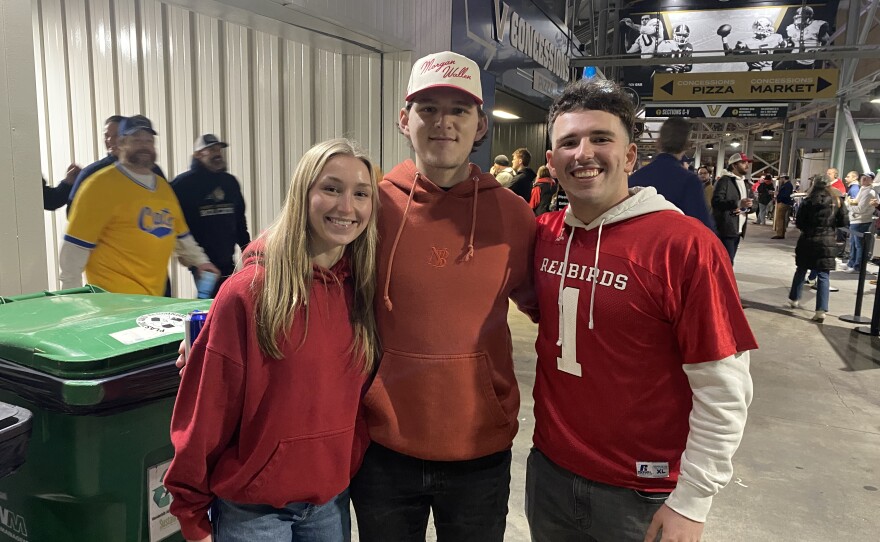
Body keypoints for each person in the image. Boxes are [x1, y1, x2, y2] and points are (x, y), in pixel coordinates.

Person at [528, 78, 755, 542]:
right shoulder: (546, 235)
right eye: (568, 142)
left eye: (601, 138)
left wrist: (693, 500)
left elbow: (724, 386)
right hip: (550, 472)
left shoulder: (685, 246)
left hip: (642, 492)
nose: (583, 152)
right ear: (551, 162)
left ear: (630, 157)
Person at [348, 51, 538, 542]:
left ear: (479, 127)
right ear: (403, 119)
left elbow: (554, 306)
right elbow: (291, 253)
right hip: (384, 446)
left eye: (458, 110)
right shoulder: (369, 203)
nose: (443, 123)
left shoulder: (514, 217)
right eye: (428, 108)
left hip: (479, 449)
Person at [165, 138, 379, 542]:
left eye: (361, 193)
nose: (347, 207)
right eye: (331, 188)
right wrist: (191, 514)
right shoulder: (248, 292)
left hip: (330, 504)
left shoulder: (364, 291)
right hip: (253, 514)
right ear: (303, 193)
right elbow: (208, 410)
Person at [59, 115, 219, 295]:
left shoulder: (163, 188)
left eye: (148, 140)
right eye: (136, 140)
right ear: (120, 144)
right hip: (113, 303)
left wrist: (201, 262)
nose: (144, 145)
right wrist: (70, 298)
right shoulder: (99, 186)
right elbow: (74, 249)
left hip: (152, 300)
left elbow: (181, 237)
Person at [172, 134, 251, 296]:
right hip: (202, 262)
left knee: (229, 299)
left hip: (228, 260)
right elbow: (176, 224)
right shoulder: (183, 185)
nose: (217, 154)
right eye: (210, 150)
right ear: (198, 155)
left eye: (218, 149)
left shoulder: (230, 182)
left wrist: (247, 250)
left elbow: (239, 221)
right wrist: (194, 260)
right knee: (209, 302)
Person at [67, 115, 166, 214]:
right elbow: (72, 212)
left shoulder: (155, 173)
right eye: (107, 136)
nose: (110, 140)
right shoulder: (91, 174)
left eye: (115, 135)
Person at [628, 117, 713, 230]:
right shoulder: (690, 182)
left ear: (658, 143)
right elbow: (703, 229)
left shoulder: (633, 179)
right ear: (687, 145)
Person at [787, 174, 848, 322]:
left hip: (808, 239)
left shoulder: (808, 201)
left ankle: (794, 298)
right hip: (827, 240)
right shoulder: (837, 201)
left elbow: (800, 222)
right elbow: (844, 221)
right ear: (829, 185)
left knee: (801, 269)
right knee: (823, 275)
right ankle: (821, 310)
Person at [712, 153, 754, 264]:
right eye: (743, 162)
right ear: (734, 165)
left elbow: (754, 204)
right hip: (726, 228)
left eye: (747, 163)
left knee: (729, 261)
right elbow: (716, 202)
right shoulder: (724, 181)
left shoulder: (746, 183)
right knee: (726, 262)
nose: (747, 165)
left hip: (738, 230)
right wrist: (737, 204)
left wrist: (747, 208)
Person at [717, 17, 786, 71]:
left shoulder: (745, 42)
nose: (769, 28)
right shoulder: (777, 37)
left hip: (758, 70)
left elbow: (729, 56)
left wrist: (724, 39)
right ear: (760, 28)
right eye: (767, 26)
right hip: (764, 70)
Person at [841, 172, 877, 273]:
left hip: (861, 220)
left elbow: (861, 208)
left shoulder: (869, 192)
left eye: (866, 178)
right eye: (863, 178)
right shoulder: (863, 189)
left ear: (871, 180)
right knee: (853, 243)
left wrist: (848, 205)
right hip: (856, 219)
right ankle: (852, 263)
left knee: (858, 245)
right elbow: (857, 203)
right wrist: (851, 203)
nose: (863, 180)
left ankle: (857, 266)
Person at [772, 174, 795, 239]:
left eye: (781, 178)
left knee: (780, 219)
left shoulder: (787, 185)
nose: (780, 180)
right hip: (783, 202)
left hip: (783, 203)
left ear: (784, 178)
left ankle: (780, 234)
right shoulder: (786, 185)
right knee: (782, 218)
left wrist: (778, 195)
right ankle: (781, 232)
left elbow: (785, 195)